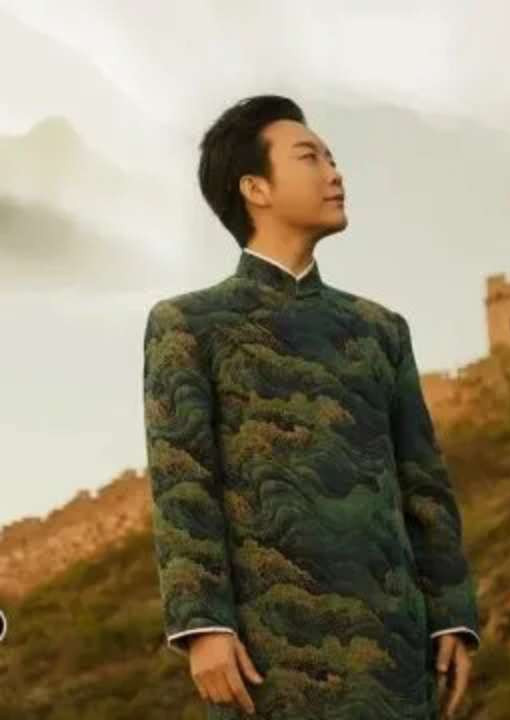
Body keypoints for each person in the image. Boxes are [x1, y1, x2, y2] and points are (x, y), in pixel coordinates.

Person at [142, 94, 481, 720]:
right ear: (255, 188)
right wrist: (203, 625)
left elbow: (423, 481)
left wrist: (451, 616)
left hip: (395, 649)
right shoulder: (189, 325)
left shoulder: (379, 329)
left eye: (332, 157)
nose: (335, 172)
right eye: (310, 157)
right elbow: (183, 481)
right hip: (266, 657)